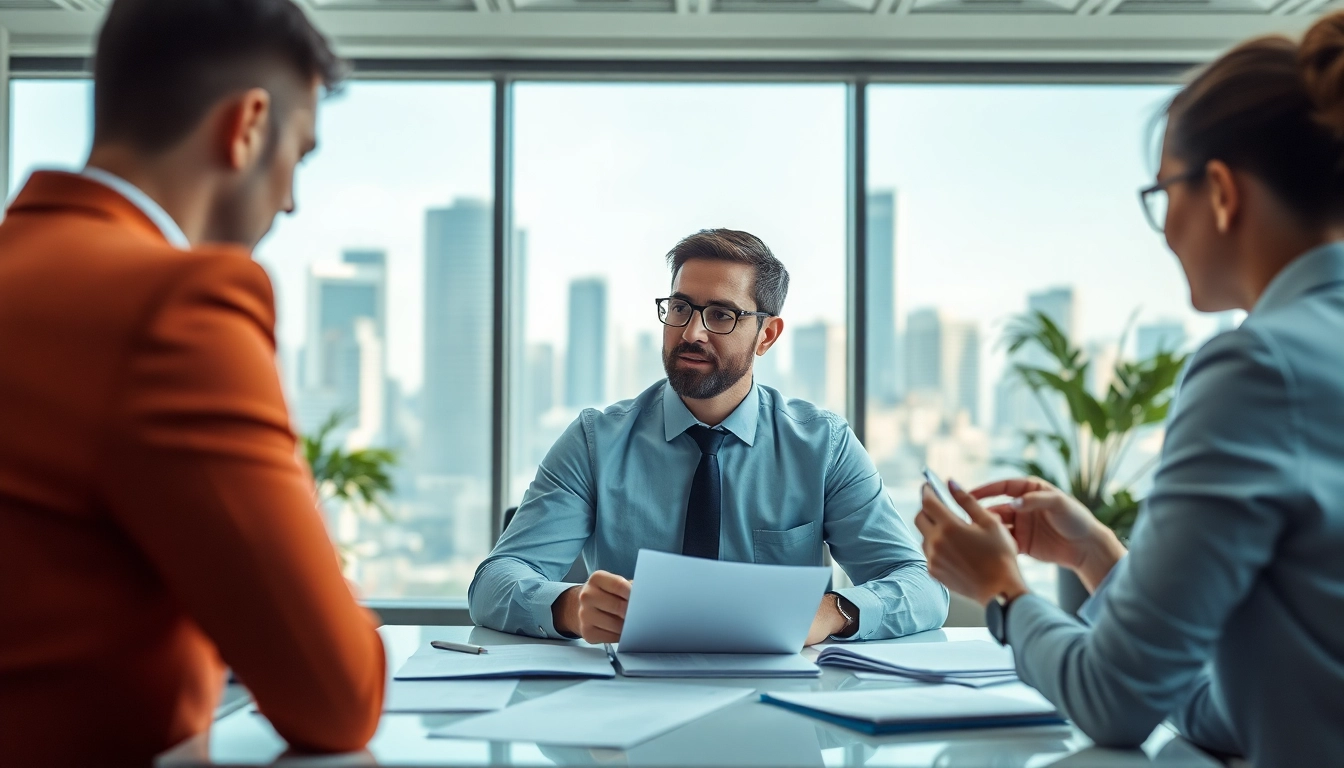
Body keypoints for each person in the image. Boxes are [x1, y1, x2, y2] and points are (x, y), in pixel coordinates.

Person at [914, 13, 1344, 767]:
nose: (1165, 229)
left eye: (1162, 193)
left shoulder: (1257, 370)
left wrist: (1003, 591)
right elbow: (1235, 713)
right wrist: (1104, 560)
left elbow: (1112, 703)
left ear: (1218, 192)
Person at [0, 0, 386, 764]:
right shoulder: (180, 308)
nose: (291, 200)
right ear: (246, 127)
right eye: (299, 156)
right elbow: (339, 696)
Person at [470, 229, 948, 645]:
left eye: (721, 315)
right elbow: (494, 582)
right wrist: (571, 607)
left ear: (767, 335)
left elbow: (921, 586)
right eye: (680, 308)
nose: (692, 331)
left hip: (783, 714)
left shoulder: (824, 446)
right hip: (628, 707)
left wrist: (830, 612)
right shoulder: (595, 442)